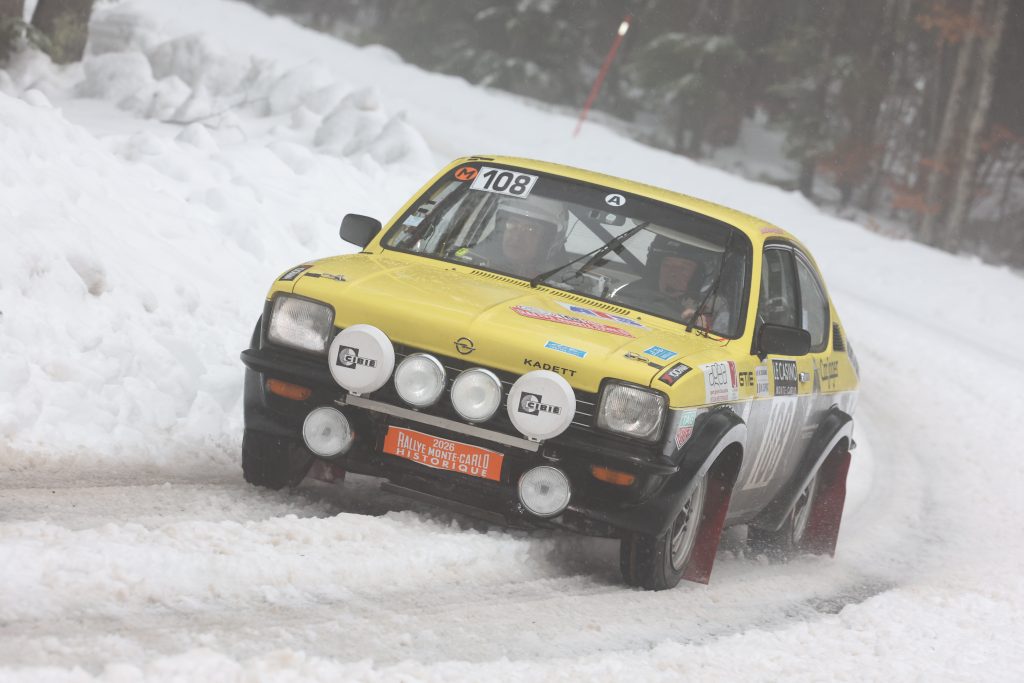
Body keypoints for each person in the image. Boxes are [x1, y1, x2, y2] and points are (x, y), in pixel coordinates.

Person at [463, 197, 568, 277]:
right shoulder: (469, 263)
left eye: (530, 229)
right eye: (513, 224)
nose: (517, 237)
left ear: (546, 240)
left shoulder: (558, 283)